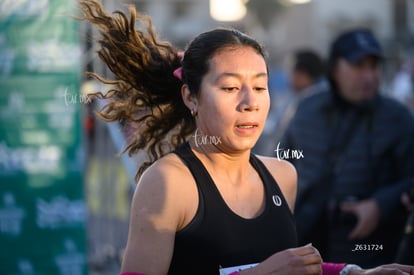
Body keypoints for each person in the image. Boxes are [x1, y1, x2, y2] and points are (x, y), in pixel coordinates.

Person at [78, 2, 414, 274]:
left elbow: (288, 268)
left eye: (259, 87)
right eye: (229, 88)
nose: (250, 103)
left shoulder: (283, 175)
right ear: (190, 97)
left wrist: (352, 271)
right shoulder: (167, 183)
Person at [280, 28, 414, 267]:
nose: (369, 76)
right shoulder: (307, 110)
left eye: (373, 66)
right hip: (308, 245)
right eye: (358, 66)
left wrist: (381, 205)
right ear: (334, 70)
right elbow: (281, 163)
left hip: (371, 250)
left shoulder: (398, 118)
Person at [254, 49, 328, 156]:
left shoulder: (309, 103)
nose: (288, 78)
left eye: (290, 72)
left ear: (302, 74)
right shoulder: (311, 97)